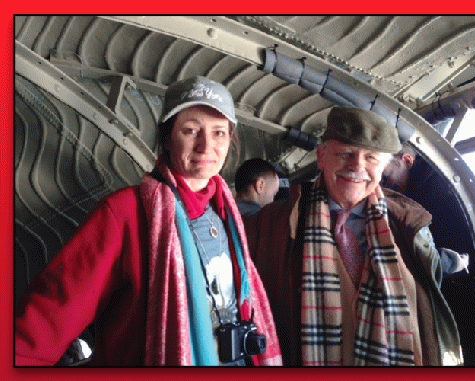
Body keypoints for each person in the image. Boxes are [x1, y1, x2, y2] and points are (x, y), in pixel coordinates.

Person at [15, 76, 282, 366]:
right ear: (167, 139)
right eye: (191, 130)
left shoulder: (227, 214)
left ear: (231, 140)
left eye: (219, 132)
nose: (206, 146)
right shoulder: (123, 213)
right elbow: (48, 316)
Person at [244, 106, 462, 366]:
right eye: (345, 153)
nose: (357, 166)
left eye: (371, 158)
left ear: (382, 167)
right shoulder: (269, 224)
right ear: (321, 156)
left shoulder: (411, 227)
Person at [381, 143, 469, 277]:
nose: (383, 188)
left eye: (385, 178)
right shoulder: (417, 189)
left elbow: (462, 253)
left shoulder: (439, 189)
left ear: (407, 160)